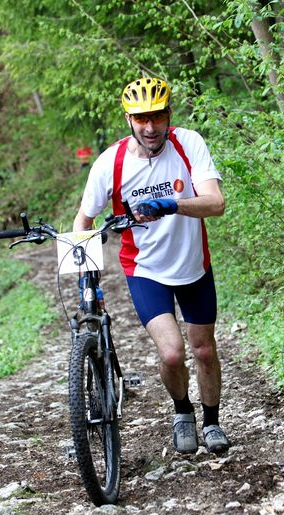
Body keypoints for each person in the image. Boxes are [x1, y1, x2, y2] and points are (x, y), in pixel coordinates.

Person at [73, 76, 230, 455]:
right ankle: (182, 413)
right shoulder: (111, 162)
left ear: (168, 115)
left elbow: (216, 203)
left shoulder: (188, 143)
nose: (149, 127)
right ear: (128, 120)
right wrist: (86, 279)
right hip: (144, 270)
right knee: (173, 352)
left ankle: (212, 422)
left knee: (204, 350)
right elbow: (83, 221)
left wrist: (173, 204)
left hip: (193, 265)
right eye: (141, 118)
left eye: (157, 117)